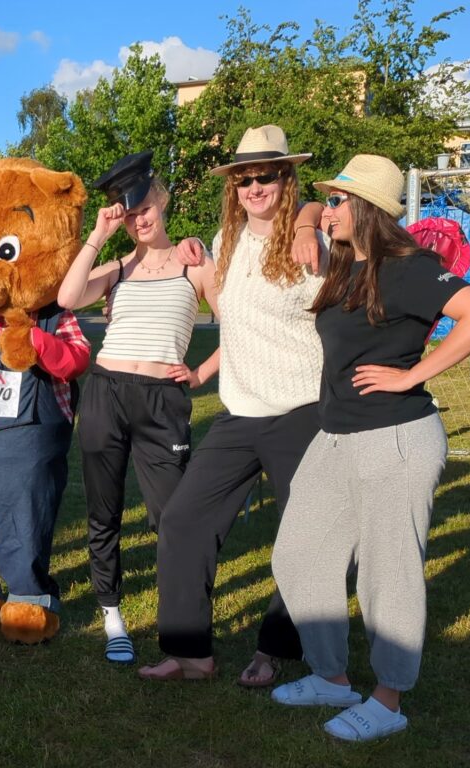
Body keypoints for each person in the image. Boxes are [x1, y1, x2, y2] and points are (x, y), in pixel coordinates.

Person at [270, 154, 470, 741]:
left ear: (365, 208)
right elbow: (310, 209)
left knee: (388, 574)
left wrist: (414, 375)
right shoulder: (347, 262)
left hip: (395, 436)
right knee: (297, 555)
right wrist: (307, 221)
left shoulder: (409, 267)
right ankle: (332, 677)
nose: (329, 207)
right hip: (336, 435)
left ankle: (388, 700)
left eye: (341, 200)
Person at [138, 124, 325, 684]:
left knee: (304, 535)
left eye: (266, 175)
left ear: (285, 178)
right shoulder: (225, 241)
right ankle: (190, 652)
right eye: (244, 178)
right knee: (183, 522)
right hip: (239, 412)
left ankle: (275, 650)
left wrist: (312, 219)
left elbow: (333, 209)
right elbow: (236, 326)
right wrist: (202, 369)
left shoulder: (314, 239)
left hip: (303, 410)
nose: (254, 186)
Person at [56, 151, 219, 665]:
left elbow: (237, 327)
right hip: (106, 392)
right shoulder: (118, 266)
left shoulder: (196, 262)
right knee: (103, 512)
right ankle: (113, 616)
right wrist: (98, 235)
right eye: (127, 212)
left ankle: (183, 625)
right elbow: (67, 297)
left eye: (144, 205)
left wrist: (199, 374)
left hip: (161, 399)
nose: (139, 218)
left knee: (174, 518)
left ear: (163, 199)